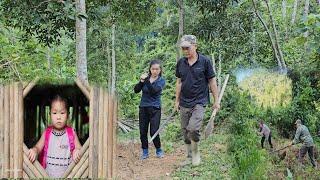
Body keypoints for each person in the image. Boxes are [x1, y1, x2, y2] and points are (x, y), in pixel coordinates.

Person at [175, 35, 220, 166]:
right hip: (184, 101)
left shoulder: (205, 62)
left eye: (187, 48)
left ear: (195, 46)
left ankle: (195, 153)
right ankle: (189, 156)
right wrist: (176, 101)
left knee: (193, 129)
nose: (185, 51)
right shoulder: (181, 63)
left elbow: (212, 81)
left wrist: (216, 100)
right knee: (185, 131)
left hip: (199, 101)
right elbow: (179, 82)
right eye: (183, 48)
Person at [27, 95, 82, 177]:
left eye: (62, 113)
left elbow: (80, 149)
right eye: (55, 113)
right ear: (50, 114)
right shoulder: (47, 132)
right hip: (48, 175)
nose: (58, 117)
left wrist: (76, 151)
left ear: (68, 114)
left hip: (68, 176)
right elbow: (38, 147)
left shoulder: (71, 133)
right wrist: (34, 151)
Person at [134, 60, 166, 159]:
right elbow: (136, 90)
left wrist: (146, 80)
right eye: (153, 69)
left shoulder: (161, 81)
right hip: (143, 107)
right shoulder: (146, 79)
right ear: (150, 69)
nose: (155, 71)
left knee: (154, 131)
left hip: (155, 108)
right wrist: (141, 81)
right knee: (143, 131)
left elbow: (153, 91)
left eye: (157, 69)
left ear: (160, 70)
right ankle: (145, 152)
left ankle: (159, 149)